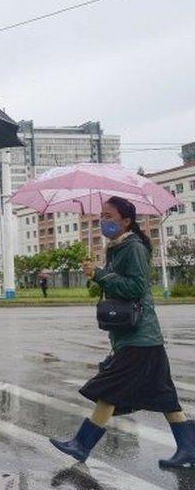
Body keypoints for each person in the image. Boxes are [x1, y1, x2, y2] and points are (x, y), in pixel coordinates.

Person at [50, 196, 194, 468]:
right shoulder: (116, 247)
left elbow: (136, 288)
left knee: (111, 387)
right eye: (101, 216)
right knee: (164, 395)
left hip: (140, 336)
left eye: (109, 216)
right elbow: (116, 288)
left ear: (126, 221)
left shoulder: (133, 247)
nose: (103, 220)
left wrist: (102, 274)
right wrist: (95, 276)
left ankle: (81, 444)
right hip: (135, 335)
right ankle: (189, 448)